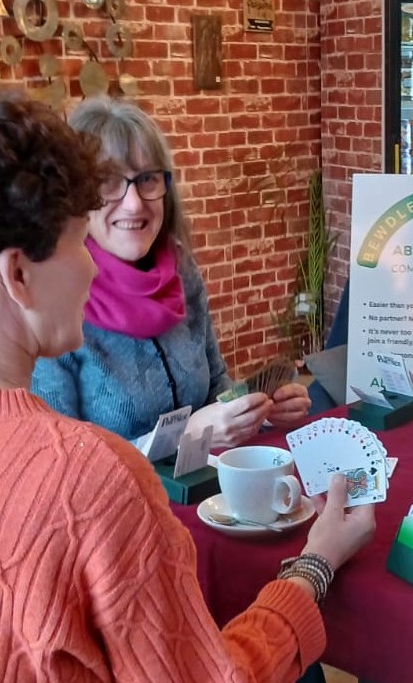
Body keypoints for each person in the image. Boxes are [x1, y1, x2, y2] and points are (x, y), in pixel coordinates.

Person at [0, 90, 375, 683]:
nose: (90, 265)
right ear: (18, 275)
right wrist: (315, 563)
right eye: (76, 242)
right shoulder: (92, 474)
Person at [32, 98, 311, 449]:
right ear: (74, 197)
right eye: (107, 181)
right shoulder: (51, 307)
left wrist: (258, 410)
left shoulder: (181, 269)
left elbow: (215, 386)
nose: (134, 203)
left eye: (147, 179)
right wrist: (185, 437)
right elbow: (65, 460)